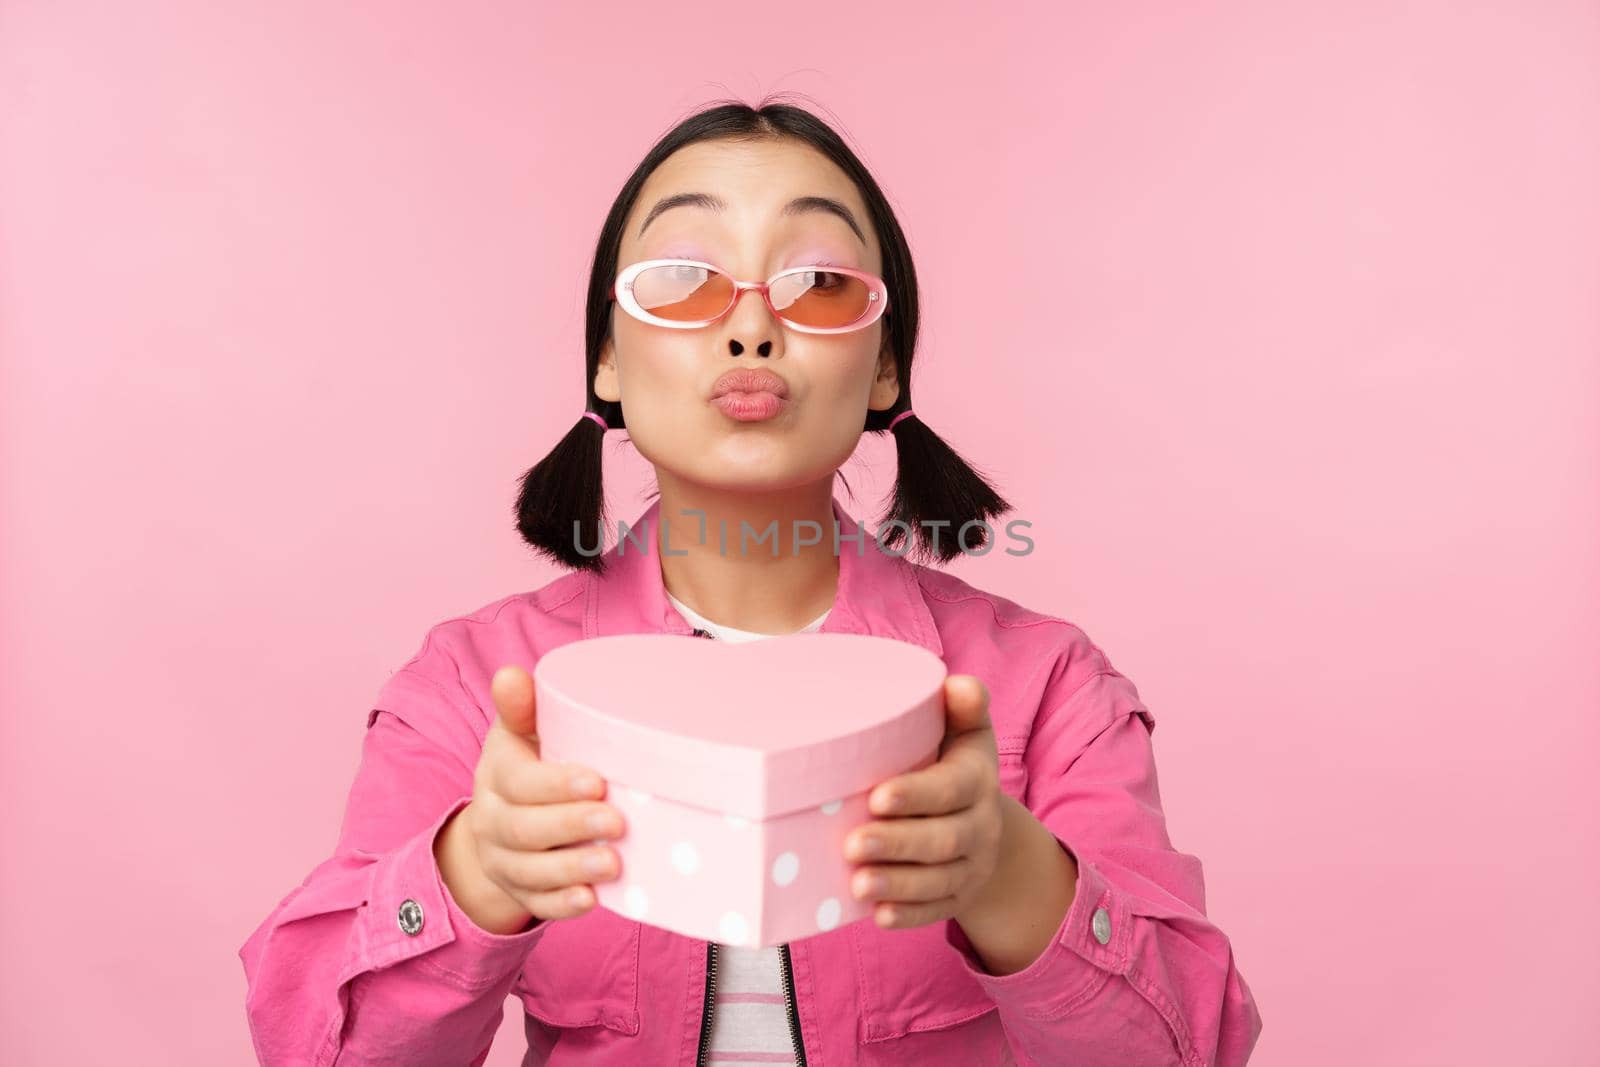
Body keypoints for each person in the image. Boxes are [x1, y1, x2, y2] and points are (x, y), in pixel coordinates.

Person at [238, 98, 1263, 1067]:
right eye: (683, 276)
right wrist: (476, 871)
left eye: (818, 282)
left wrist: (1002, 867)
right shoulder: (476, 686)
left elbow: (1192, 1043)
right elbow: (307, 1042)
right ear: (604, 355)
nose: (750, 326)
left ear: (883, 369)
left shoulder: (1043, 684)